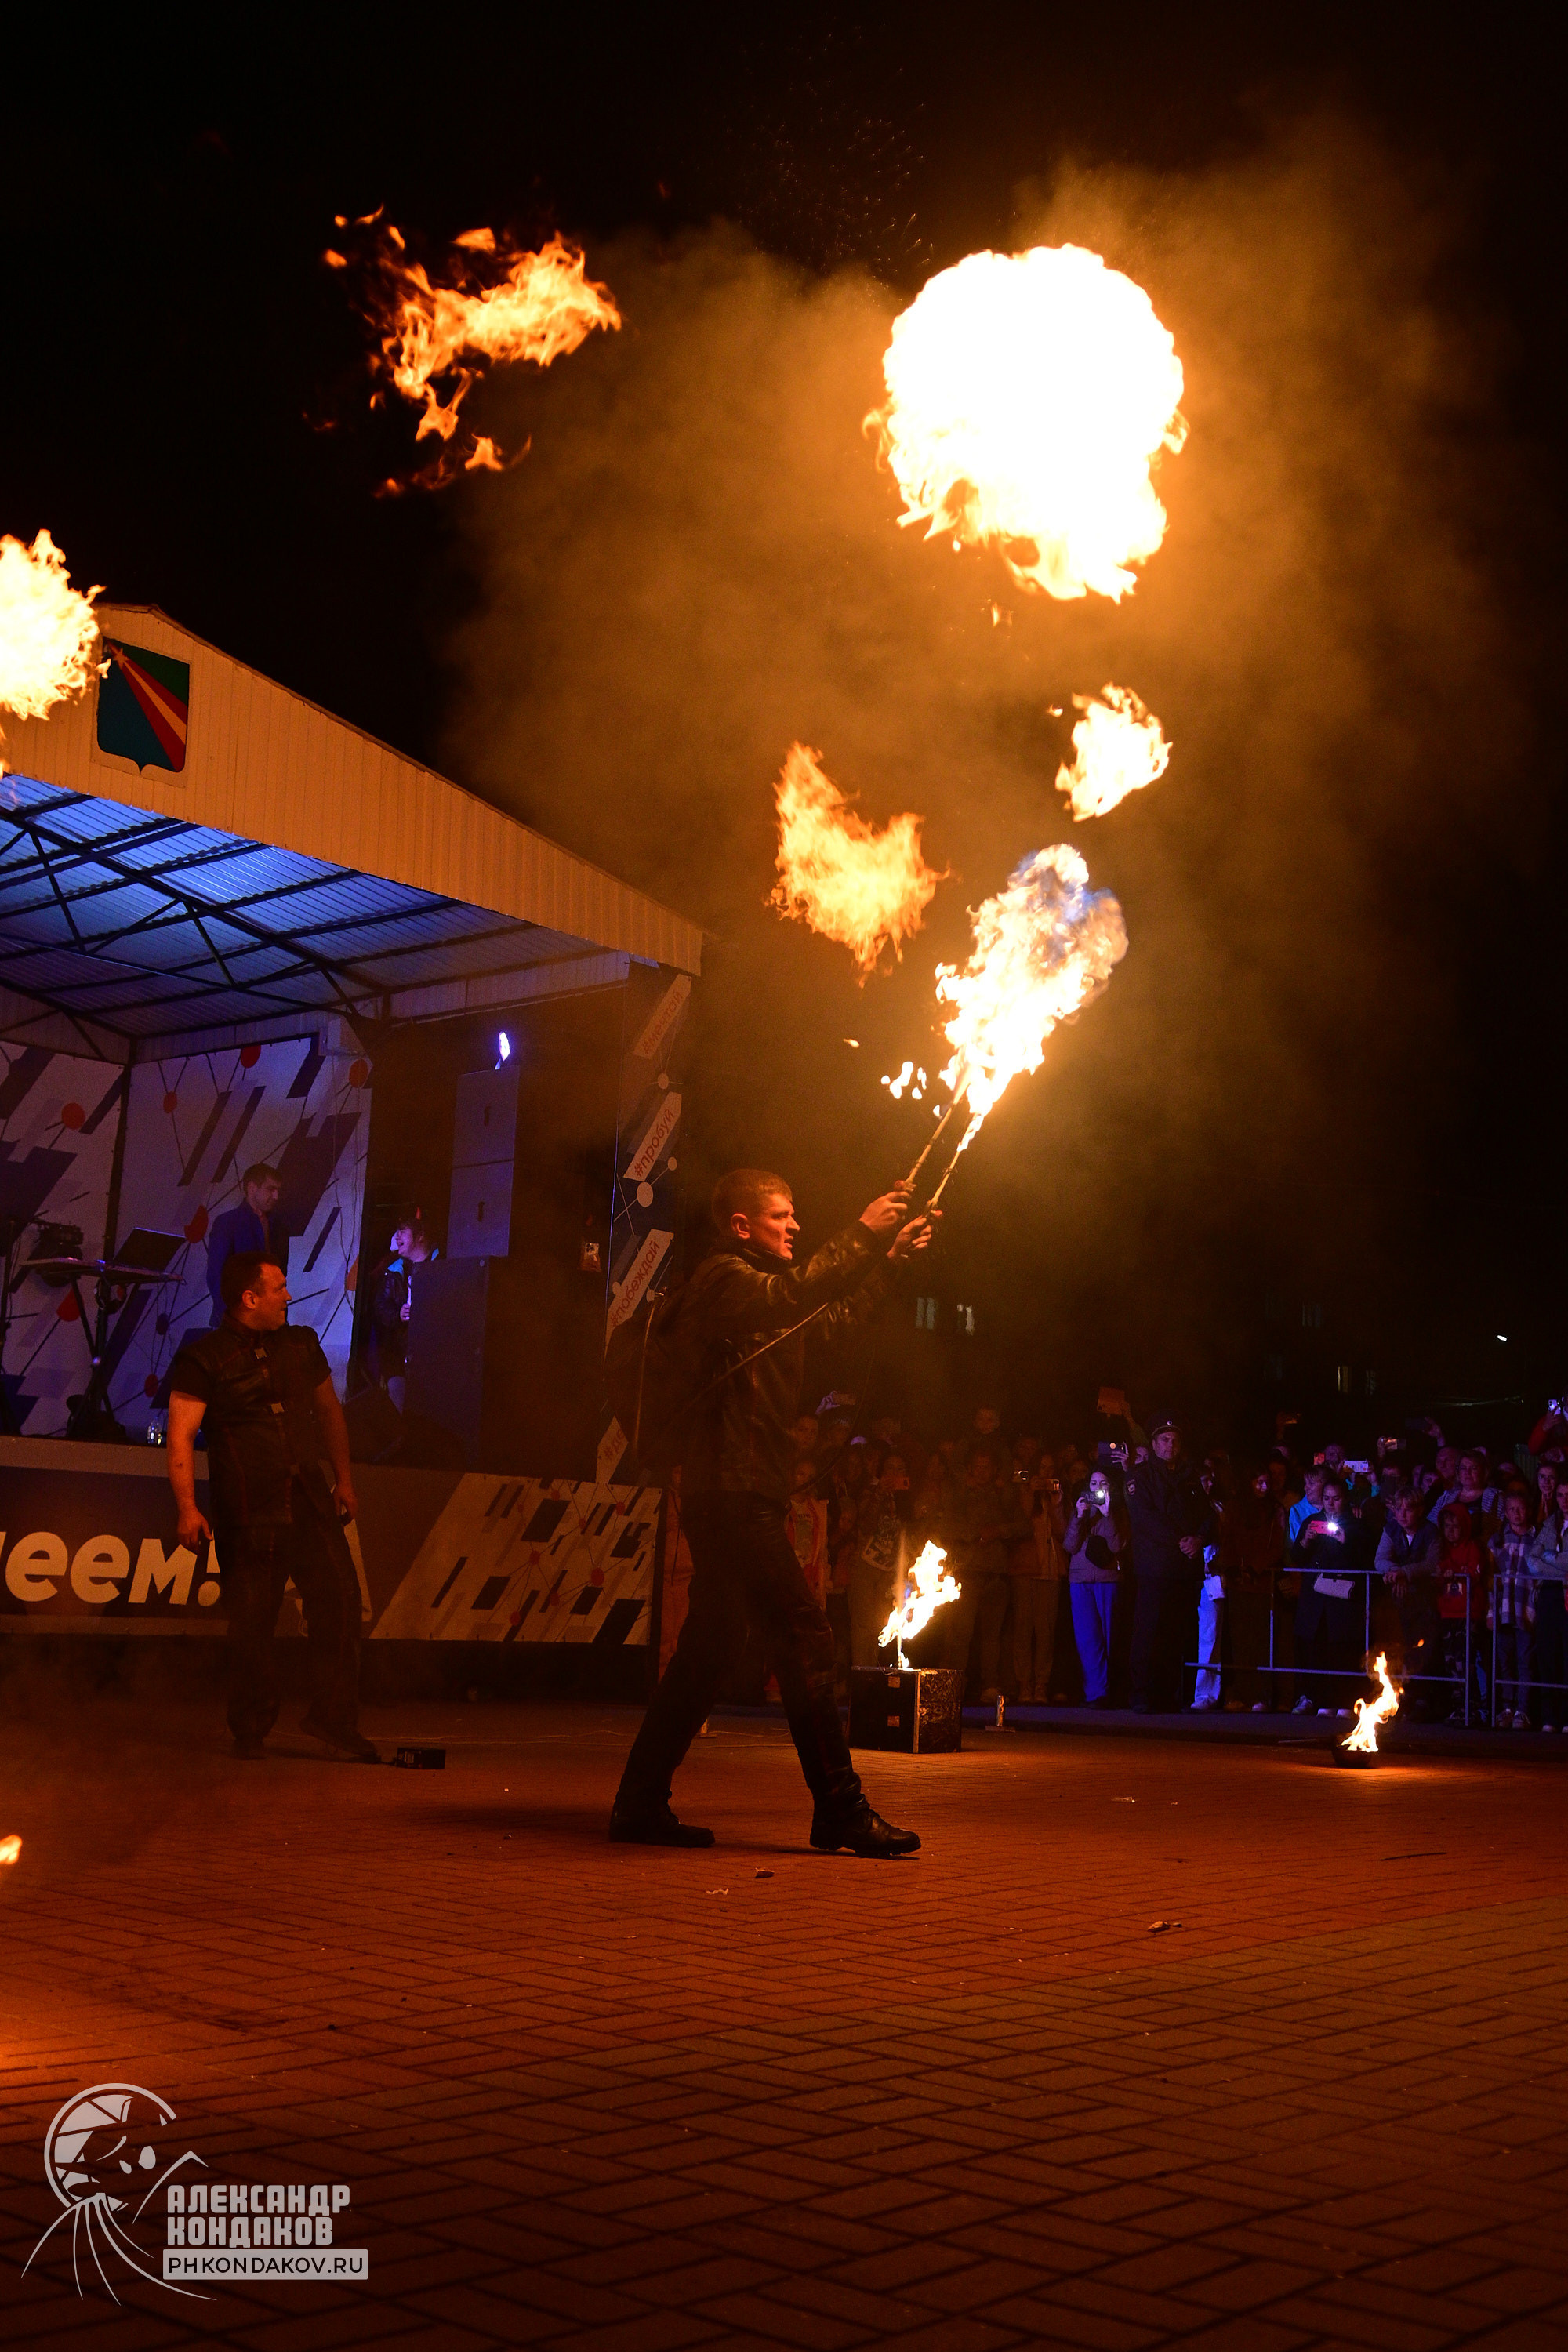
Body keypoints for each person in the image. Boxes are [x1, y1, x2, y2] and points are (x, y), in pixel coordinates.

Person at [610, 1167, 934, 1856]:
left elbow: (831, 1320)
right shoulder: (722, 1282)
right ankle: (840, 1810)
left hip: (743, 1490)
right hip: (728, 1493)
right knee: (806, 1634)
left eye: (795, 1216)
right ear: (740, 1226)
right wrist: (864, 1233)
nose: (794, 1226)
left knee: (711, 1646)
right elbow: (796, 1292)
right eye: (781, 1217)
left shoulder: (763, 1303)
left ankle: (638, 1802)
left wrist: (891, 1261)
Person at [166, 1253, 375, 1762]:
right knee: (254, 1620)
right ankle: (251, 1726)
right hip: (250, 1509)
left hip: (308, 1498)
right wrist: (187, 1508)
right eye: (278, 1287)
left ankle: (332, 1717)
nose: (288, 1295)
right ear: (249, 1298)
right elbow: (181, 1435)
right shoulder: (205, 1358)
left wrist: (344, 1479)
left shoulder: (301, 1345)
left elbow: (328, 1412)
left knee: (343, 1601)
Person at [1126, 1416, 1210, 1712]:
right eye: (1164, 1439)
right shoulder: (1140, 1476)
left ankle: (1168, 1692)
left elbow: (1208, 1515)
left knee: (1178, 1632)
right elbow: (1146, 1518)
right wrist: (1182, 1540)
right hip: (1155, 1567)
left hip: (1185, 1570)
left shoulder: (1189, 1476)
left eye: (1175, 1439)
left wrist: (1199, 1537)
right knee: (1150, 1631)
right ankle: (1142, 1694)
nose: (1170, 1444)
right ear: (1153, 1443)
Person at [936, 1445, 1029, 1701]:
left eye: (986, 1467)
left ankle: (990, 1686)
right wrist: (974, 1533)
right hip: (965, 1573)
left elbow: (1024, 1526)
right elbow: (945, 1526)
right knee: (959, 1633)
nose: (981, 1472)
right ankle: (952, 1685)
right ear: (969, 1468)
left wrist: (999, 1531)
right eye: (977, 1466)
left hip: (995, 1575)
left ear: (994, 1469)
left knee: (992, 1637)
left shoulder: (1004, 1495)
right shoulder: (958, 1494)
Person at [1290, 1472, 1359, 1717]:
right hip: (1315, 1597)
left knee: (1341, 1651)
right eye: (1327, 1498)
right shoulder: (1312, 1521)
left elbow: (1362, 1559)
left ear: (1345, 1499)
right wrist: (1306, 1541)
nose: (1331, 1503)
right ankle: (1316, 1699)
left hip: (1342, 1599)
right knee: (1315, 1649)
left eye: (1336, 1498)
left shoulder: (1355, 1525)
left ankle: (1345, 1700)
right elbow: (1296, 1558)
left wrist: (1344, 1541)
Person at [1065, 1457, 1125, 1706]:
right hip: (1079, 1580)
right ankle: (1095, 1693)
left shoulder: (1119, 1510)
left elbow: (1117, 1545)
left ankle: (1113, 1692)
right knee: (1087, 1639)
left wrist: (1108, 1514)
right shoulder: (1081, 1509)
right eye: (1093, 1483)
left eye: (1103, 1483)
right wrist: (1079, 1516)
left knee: (1110, 1636)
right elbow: (1069, 1545)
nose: (1098, 1487)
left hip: (1107, 1578)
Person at [1375, 1485, 1442, 1711]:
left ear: (1420, 1510)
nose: (1403, 1515)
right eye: (1398, 1509)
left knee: (1425, 1649)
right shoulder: (1391, 1529)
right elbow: (1381, 1559)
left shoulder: (1431, 1532)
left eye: (1408, 1509)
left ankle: (1425, 1699)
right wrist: (1395, 1572)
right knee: (1401, 1649)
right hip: (1399, 1601)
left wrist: (1405, 1573)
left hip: (1427, 1601)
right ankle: (1403, 1698)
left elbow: (1432, 1563)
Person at [372, 1215, 438, 1411]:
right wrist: (397, 1314)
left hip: (431, 1360)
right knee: (401, 1412)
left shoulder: (442, 1265)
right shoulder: (393, 1271)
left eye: (403, 1231)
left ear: (420, 1237)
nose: (396, 1237)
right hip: (398, 1358)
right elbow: (380, 1307)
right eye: (397, 1231)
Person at [204, 1162, 285, 1323]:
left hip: (269, 1318)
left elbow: (281, 1274)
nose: (276, 1196)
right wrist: (231, 1316)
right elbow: (216, 1274)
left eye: (278, 1191)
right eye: (270, 1189)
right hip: (237, 1319)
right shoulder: (228, 1222)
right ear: (252, 1188)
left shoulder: (279, 1226)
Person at [1436, 1501, 1488, 1724]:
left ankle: (1473, 1708)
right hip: (1447, 1613)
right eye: (1447, 1525)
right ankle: (1458, 1707)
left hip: (1468, 1614)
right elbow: (1435, 1573)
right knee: (1450, 1662)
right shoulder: (1441, 1549)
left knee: (1466, 1661)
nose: (1451, 1530)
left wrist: (1455, 1572)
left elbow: (1475, 1573)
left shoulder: (1473, 1547)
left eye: (1456, 1526)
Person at [1490, 1486, 1537, 1730]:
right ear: (1505, 1513)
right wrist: (1490, 1611)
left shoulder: (1536, 1539)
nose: (1517, 1513)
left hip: (1525, 1608)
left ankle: (1523, 1710)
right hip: (1503, 1608)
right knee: (1504, 1659)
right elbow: (1491, 1577)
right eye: (1512, 1509)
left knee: (1525, 1660)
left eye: (1521, 1509)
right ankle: (1507, 1707)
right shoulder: (1498, 1539)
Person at [1529, 1490, 1568, 1733]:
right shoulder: (1550, 1523)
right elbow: (1532, 1560)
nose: (1565, 1500)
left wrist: (1549, 1557)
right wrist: (1559, 1570)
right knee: (1547, 1655)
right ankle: (1549, 1717)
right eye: (1562, 1495)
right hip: (1551, 1594)